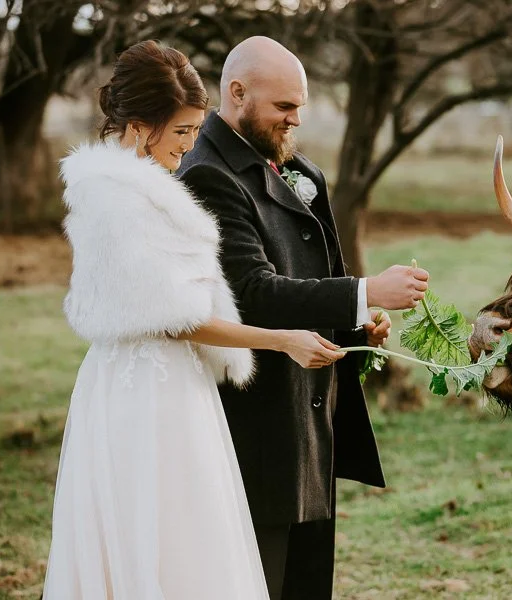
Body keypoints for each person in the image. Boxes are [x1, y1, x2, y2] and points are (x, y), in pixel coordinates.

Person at [41, 40, 346, 599]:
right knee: (161, 530)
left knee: (192, 537)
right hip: (145, 391)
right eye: (181, 133)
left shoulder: (149, 184)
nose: (189, 147)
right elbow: (175, 319)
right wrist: (279, 340)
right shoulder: (116, 196)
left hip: (176, 385)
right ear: (140, 126)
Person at [177, 36, 429, 599]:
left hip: (311, 423)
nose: (296, 119)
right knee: (259, 581)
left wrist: (357, 324)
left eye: (300, 106)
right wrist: (365, 290)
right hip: (258, 426)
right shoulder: (206, 175)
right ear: (237, 93)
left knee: (310, 583)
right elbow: (250, 292)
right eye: (284, 107)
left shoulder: (299, 170)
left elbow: (314, 272)